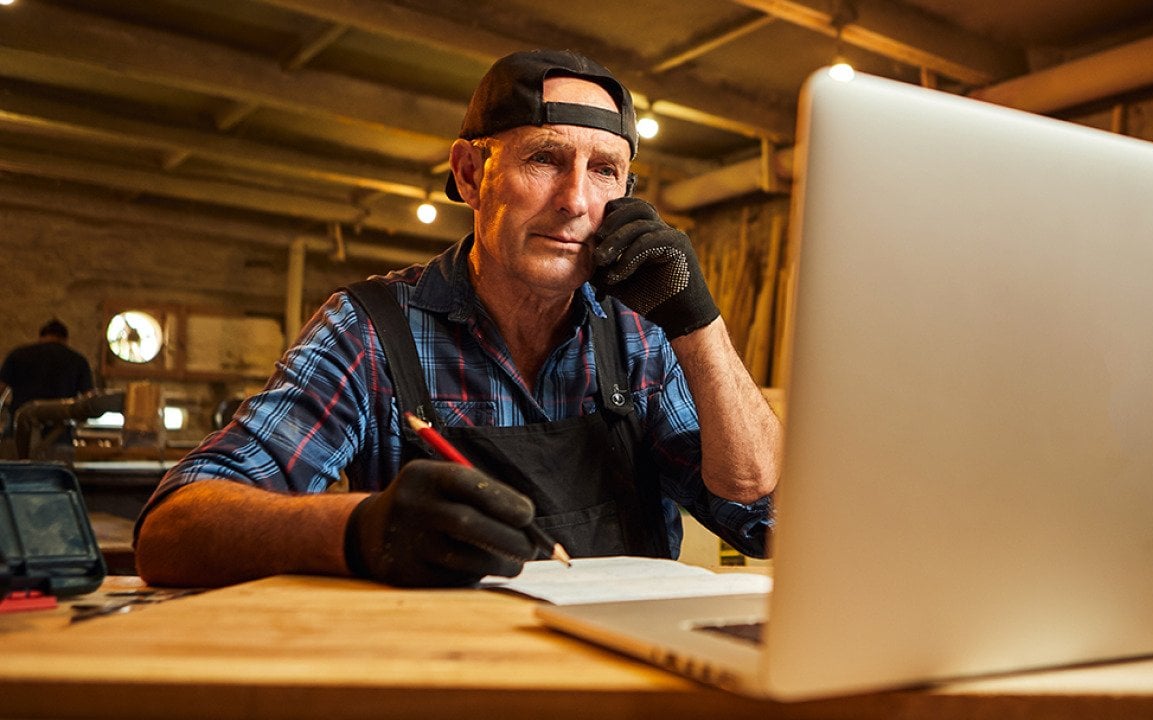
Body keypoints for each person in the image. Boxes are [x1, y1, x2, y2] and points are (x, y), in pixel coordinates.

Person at [134, 49, 782, 589]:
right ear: (471, 175)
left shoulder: (640, 337)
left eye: (605, 171)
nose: (577, 201)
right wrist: (356, 529)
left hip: (622, 684)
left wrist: (698, 325)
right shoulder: (372, 331)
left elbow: (765, 519)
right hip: (445, 678)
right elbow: (172, 530)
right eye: (544, 159)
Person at [0, 318, 94, 453]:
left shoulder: (18, 355)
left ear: (41, 336)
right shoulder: (78, 360)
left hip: (18, 435)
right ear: (65, 339)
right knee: (55, 472)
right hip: (59, 438)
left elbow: (1, 390)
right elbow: (88, 400)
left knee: (14, 471)